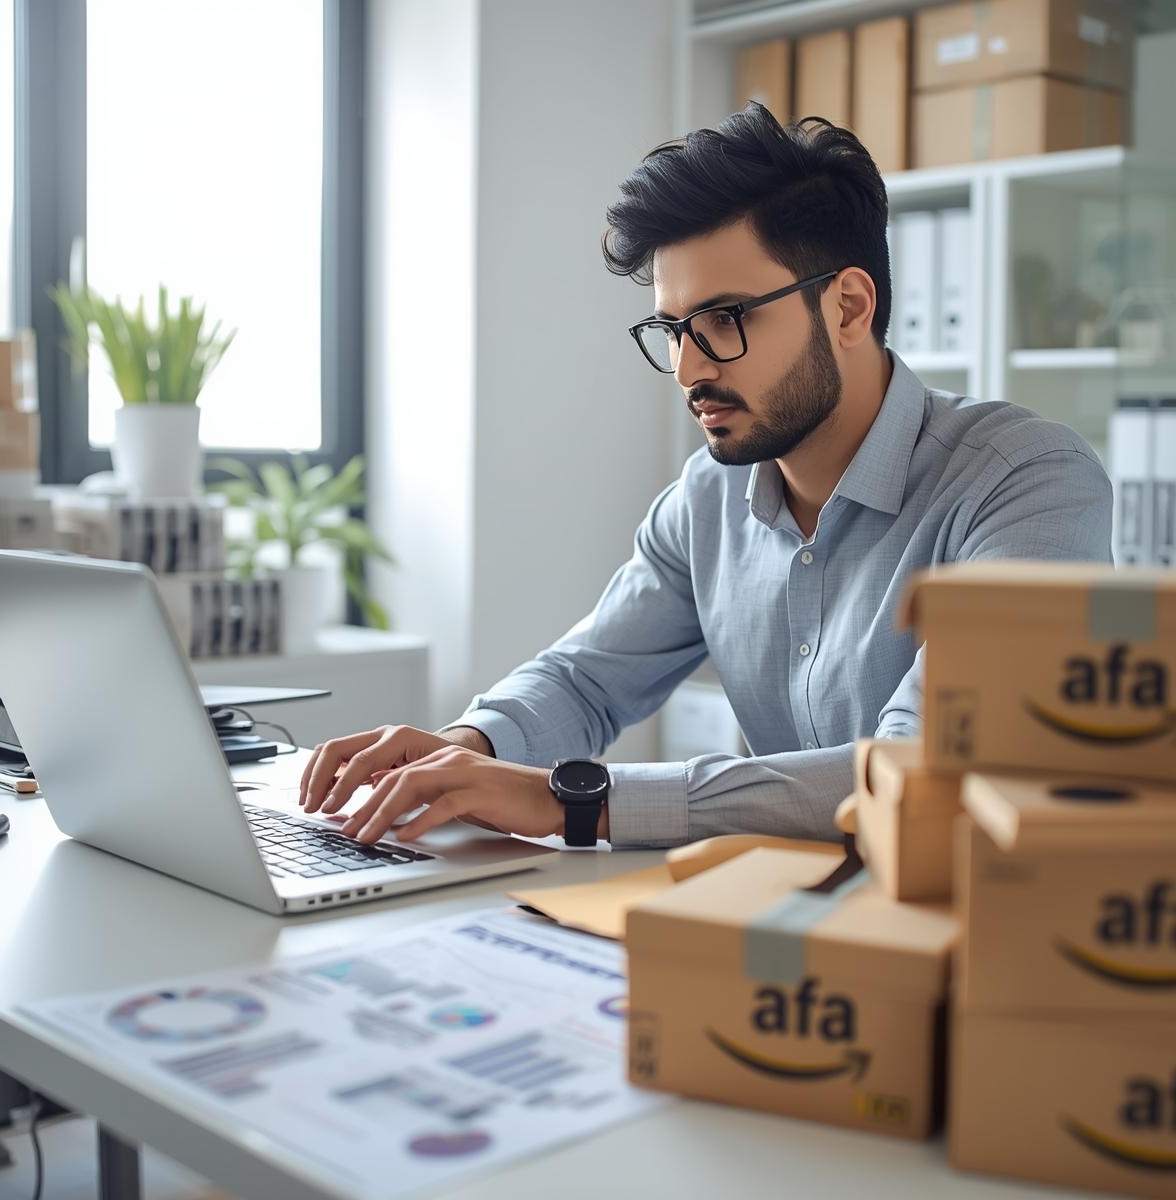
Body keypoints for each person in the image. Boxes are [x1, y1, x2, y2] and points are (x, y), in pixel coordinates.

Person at [298, 103, 1112, 849]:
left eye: (725, 319)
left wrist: (578, 800)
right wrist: (460, 752)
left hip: (974, 923)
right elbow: (587, 679)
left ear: (849, 308)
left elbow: (919, 770)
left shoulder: (1028, 482)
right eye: (672, 328)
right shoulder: (706, 498)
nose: (689, 369)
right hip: (779, 911)